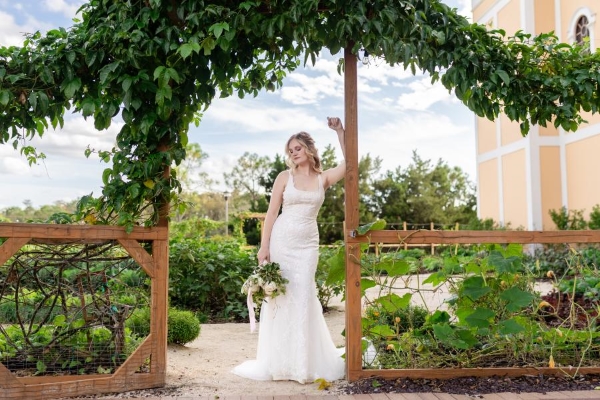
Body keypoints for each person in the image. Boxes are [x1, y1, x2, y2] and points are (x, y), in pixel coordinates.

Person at [232, 117, 347, 384]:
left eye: (297, 147)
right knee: (281, 299)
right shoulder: (284, 177)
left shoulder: (323, 179)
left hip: (308, 245)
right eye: (290, 150)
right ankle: (281, 363)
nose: (293, 152)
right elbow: (272, 213)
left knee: (304, 295)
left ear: (309, 149)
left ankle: (304, 363)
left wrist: (340, 131)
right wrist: (264, 247)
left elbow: (350, 163)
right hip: (282, 241)